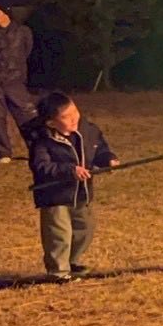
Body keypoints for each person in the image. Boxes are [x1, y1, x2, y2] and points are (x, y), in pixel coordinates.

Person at [27, 91, 121, 281]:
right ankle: (58, 272)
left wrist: (108, 160)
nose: (73, 118)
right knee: (59, 234)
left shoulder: (88, 131)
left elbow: (100, 150)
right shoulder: (42, 140)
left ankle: (70, 262)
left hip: (81, 193)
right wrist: (70, 170)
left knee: (85, 229)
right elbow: (41, 166)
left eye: (75, 112)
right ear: (51, 123)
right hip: (55, 195)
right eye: (66, 117)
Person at [0, 4, 35, 163]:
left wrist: (16, 72)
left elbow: (26, 51)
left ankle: (36, 149)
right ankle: (3, 152)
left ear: (6, 13)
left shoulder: (23, 32)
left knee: (27, 116)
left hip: (15, 81)